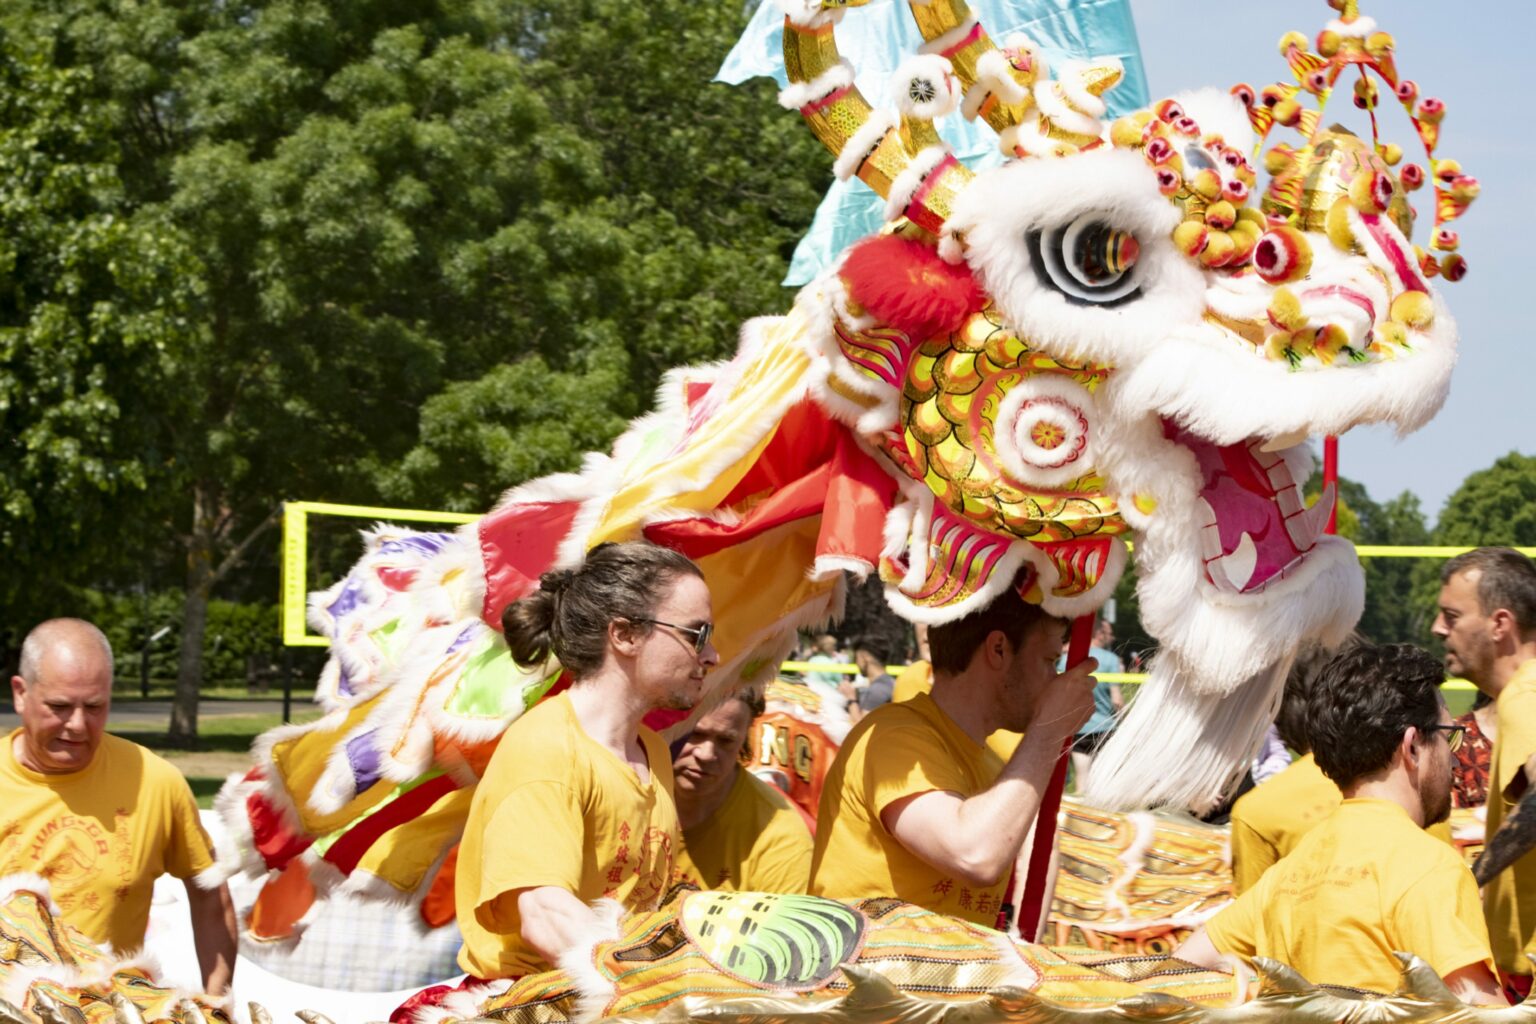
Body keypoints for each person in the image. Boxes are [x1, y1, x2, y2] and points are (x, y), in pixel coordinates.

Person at [1175, 644, 1504, 1004]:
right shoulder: (1429, 867)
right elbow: (1480, 1011)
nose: (1455, 760)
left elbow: (1180, 969)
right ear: (1411, 747)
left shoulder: (1285, 878)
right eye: (1447, 737)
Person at [455, 542, 720, 980]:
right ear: (625, 635)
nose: (712, 656)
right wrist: (654, 984)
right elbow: (545, 914)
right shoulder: (547, 748)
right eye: (697, 635)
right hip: (538, 999)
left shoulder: (651, 749)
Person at [807, 581, 1096, 927]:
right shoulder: (891, 736)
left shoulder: (991, 764)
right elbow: (974, 854)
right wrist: (1049, 728)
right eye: (1050, 660)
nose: (1054, 678)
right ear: (999, 649)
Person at [2, 619, 237, 994]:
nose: (78, 724)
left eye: (94, 706)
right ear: (20, 693)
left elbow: (210, 894)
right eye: (59, 706)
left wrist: (217, 1001)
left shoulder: (155, 782)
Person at [1432, 547, 1536, 997]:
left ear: (1500, 624)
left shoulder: (1524, 694)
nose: (1438, 629)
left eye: (1452, 616)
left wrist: (1472, 880)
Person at [672, 689, 813, 893]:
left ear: (746, 735)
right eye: (696, 734)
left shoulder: (781, 836)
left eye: (726, 741)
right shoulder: (631, 794)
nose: (706, 754)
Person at [1065, 619, 1122, 791]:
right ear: (1098, 633)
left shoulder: (1069, 657)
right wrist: (1124, 718)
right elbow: (1117, 699)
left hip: (1078, 728)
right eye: (1109, 633)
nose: (1111, 637)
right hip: (1104, 728)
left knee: (1082, 781)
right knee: (1104, 783)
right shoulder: (1111, 660)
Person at [844, 644, 894, 723]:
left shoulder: (878, 689)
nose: (856, 663)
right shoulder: (888, 682)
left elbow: (862, 728)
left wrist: (851, 698)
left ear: (864, 657)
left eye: (856, 658)